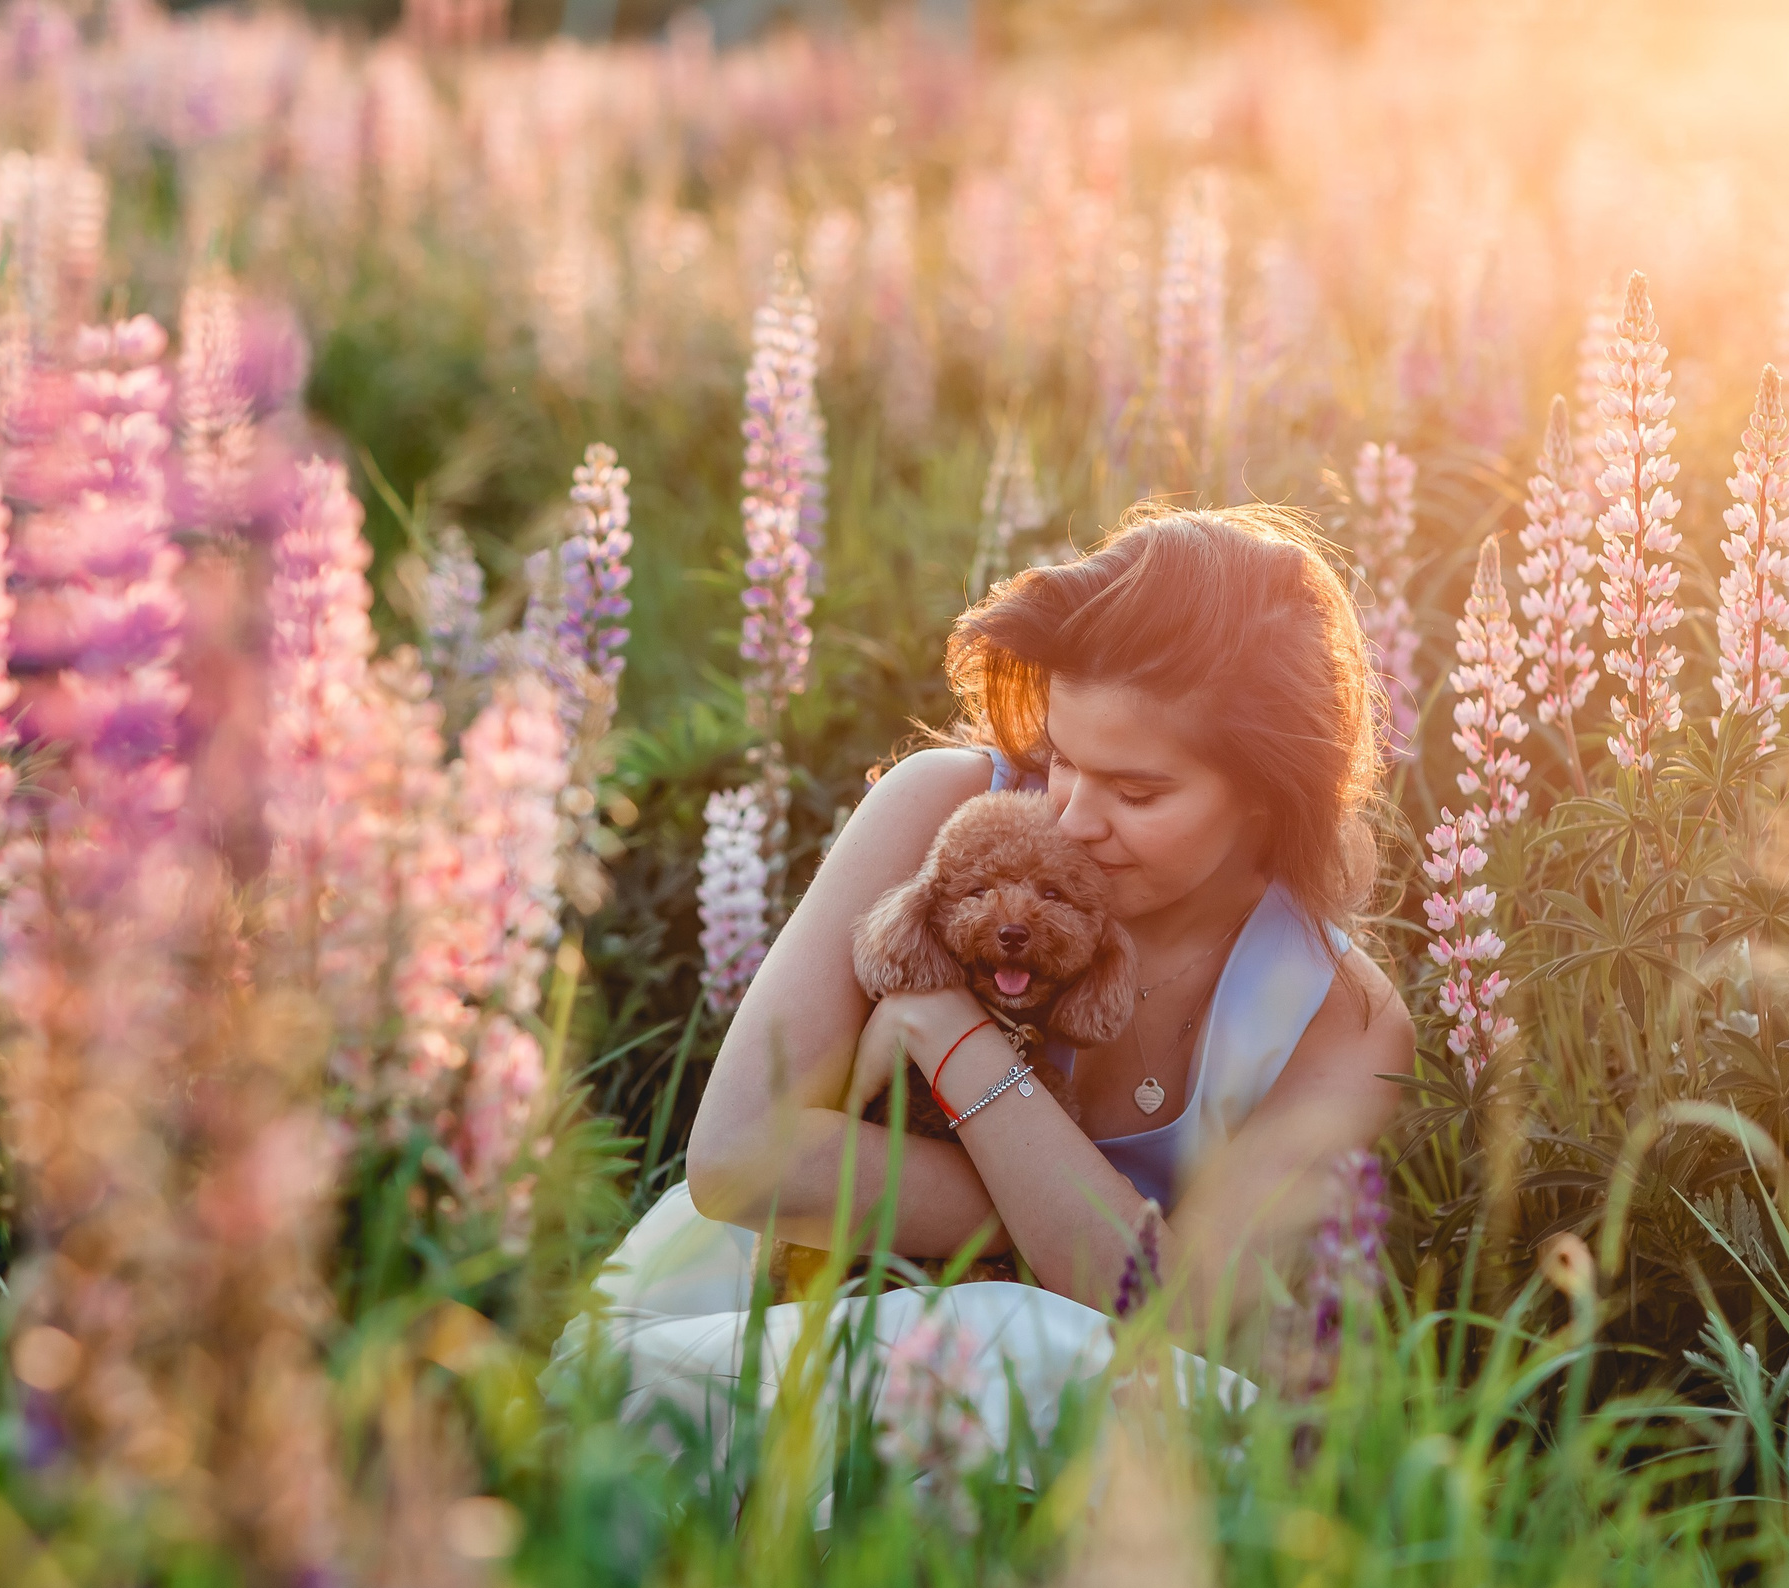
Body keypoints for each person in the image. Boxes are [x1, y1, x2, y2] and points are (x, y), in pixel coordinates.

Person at [551, 501, 1415, 1463]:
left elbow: (1175, 1312)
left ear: (1268, 789)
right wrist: (1072, 1227)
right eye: (1060, 760)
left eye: (1137, 792)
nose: (1076, 818)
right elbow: (738, 1157)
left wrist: (947, 1035)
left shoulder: (1341, 1018)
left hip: (1086, 1414)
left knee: (1047, 1348)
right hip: (777, 1297)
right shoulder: (942, 807)